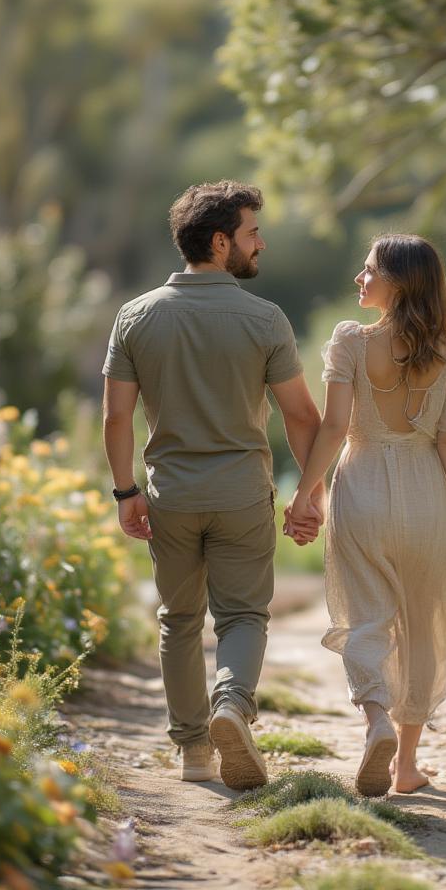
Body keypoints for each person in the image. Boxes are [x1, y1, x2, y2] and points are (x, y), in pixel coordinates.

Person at [102, 180, 323, 791]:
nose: (261, 243)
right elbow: (303, 416)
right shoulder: (265, 319)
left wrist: (126, 493)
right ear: (221, 241)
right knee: (244, 616)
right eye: (253, 232)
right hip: (241, 495)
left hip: (169, 496)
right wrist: (311, 493)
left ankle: (194, 754)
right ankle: (232, 704)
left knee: (178, 620)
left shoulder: (136, 316)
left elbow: (116, 417)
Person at [285, 234, 446, 797]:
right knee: (422, 622)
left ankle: (375, 723)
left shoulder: (350, 341)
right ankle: (407, 764)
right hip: (424, 495)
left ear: (398, 281)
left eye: (368, 270)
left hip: (363, 488)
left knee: (366, 615)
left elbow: (335, 428)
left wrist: (306, 494)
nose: (359, 279)